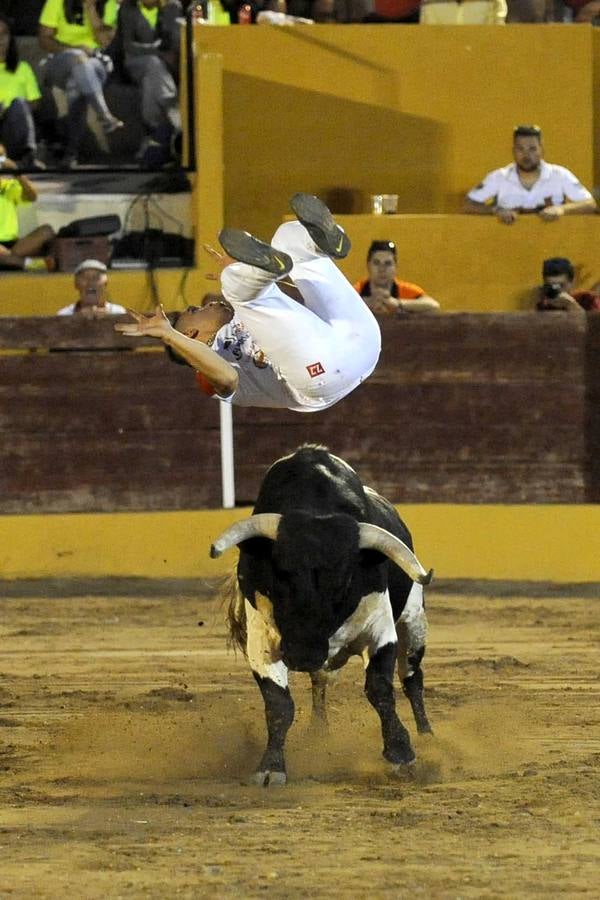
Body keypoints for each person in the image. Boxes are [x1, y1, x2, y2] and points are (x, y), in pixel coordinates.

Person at [115, 192, 382, 412]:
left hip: (365, 342)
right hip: (321, 376)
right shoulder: (210, 371)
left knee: (288, 238)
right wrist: (169, 335)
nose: (204, 305)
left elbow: (300, 314)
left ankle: (313, 247)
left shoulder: (247, 313)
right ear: (191, 334)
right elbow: (228, 379)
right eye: (194, 310)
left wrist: (248, 274)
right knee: (231, 284)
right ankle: (258, 272)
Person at [38, 0, 123, 169]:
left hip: (95, 63)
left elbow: (105, 42)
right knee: (77, 57)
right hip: (60, 61)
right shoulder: (56, 2)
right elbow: (44, 40)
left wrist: (90, 8)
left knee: (77, 82)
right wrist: (73, 50)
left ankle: (71, 152)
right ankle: (104, 115)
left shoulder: (110, 5)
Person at [464, 125, 597, 224]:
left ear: (542, 150)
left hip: (554, 244)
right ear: (513, 151)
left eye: (532, 149)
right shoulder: (498, 177)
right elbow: (468, 204)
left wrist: (561, 209)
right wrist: (496, 211)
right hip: (505, 245)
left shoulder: (560, 175)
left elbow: (590, 204)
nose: (526, 155)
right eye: (520, 149)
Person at [110, 0, 183, 163]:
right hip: (136, 62)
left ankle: (155, 131)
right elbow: (129, 47)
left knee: (152, 79)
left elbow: (174, 41)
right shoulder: (127, 9)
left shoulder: (172, 8)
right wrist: (157, 51)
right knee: (153, 64)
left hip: (163, 65)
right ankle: (176, 117)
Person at [0, 14, 45, 170]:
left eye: (4, 34)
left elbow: (35, 102)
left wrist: (9, 109)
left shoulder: (22, 68)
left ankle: (29, 156)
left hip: (12, 128)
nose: (0, 39)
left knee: (19, 103)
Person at [0, 147, 55, 271]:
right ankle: (27, 264)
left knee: (47, 230)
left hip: (13, 245)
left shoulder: (10, 185)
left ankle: (9, 260)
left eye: (1, 157)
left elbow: (32, 196)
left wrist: (17, 173)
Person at [354, 239, 440, 315]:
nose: (382, 269)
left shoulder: (404, 289)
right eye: (376, 263)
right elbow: (341, 305)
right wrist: (365, 302)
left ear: (395, 266)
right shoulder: (356, 291)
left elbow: (433, 305)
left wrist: (397, 303)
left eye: (388, 264)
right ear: (368, 265)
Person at [56, 258, 127, 315]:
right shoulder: (64, 314)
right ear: (76, 284)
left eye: (96, 277)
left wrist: (109, 320)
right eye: (85, 277)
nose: (91, 282)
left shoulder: (118, 313)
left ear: (105, 284)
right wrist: (77, 319)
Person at [535, 257, 600, 314]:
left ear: (571, 282)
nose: (556, 289)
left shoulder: (587, 299)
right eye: (551, 286)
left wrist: (572, 305)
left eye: (561, 285)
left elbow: (594, 324)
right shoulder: (544, 305)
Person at [420, 0, 507, 23]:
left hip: (483, 61)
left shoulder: (493, 2)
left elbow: (498, 39)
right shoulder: (430, 3)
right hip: (440, 62)